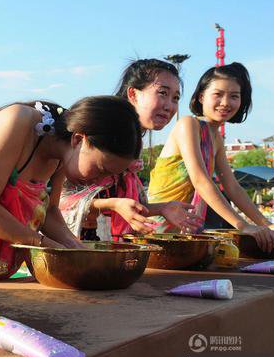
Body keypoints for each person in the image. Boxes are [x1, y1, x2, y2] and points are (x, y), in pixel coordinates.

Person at [0, 96, 143, 276]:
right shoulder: (19, 121)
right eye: (101, 169)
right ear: (78, 139)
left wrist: (74, 247)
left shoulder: (61, 154)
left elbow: (50, 212)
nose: (99, 182)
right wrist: (44, 244)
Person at [147, 62, 274, 251]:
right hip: (158, 227)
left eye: (234, 96)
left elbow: (232, 187)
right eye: (218, 94)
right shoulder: (188, 124)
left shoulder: (216, 138)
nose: (225, 102)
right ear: (201, 97)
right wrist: (243, 225)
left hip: (185, 230)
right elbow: (200, 180)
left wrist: (266, 224)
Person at [59, 59, 201, 240]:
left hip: (98, 241)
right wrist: (113, 204)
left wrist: (163, 208)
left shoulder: (133, 142)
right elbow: (59, 200)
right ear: (133, 94)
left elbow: (126, 205)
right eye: (162, 93)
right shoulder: (102, 132)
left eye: (175, 98)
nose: (169, 106)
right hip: (69, 240)